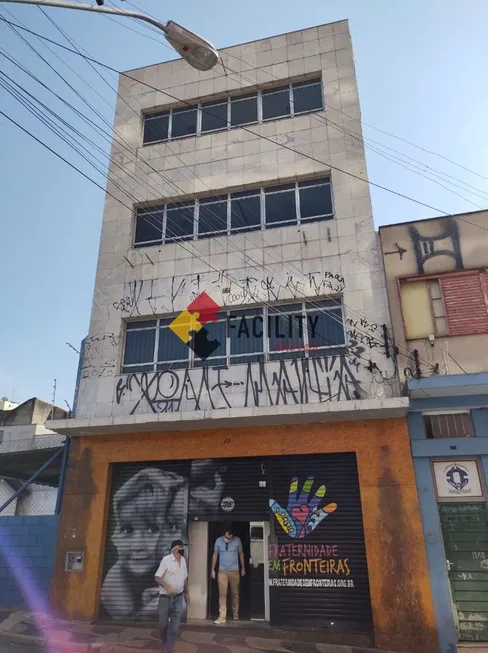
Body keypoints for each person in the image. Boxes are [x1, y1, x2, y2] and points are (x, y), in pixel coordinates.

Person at [101, 468, 187, 620]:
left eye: (152, 529)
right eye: (127, 529)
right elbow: (126, 617)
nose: (137, 545)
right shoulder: (117, 582)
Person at [155, 539, 189, 653]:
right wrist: (166, 586)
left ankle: (167, 650)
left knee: (174, 628)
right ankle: (166, 643)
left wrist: (187, 593)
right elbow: (157, 577)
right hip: (165, 598)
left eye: (183, 547)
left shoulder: (183, 561)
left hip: (178, 598)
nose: (182, 550)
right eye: (180, 548)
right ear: (174, 549)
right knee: (162, 625)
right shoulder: (166, 560)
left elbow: (184, 578)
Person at [211, 525, 245, 624]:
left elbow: (241, 554)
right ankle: (222, 616)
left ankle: (235, 613)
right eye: (226, 538)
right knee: (222, 593)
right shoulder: (218, 541)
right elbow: (215, 554)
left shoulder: (237, 540)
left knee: (235, 593)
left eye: (230, 538)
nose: (228, 539)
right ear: (223, 535)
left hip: (234, 570)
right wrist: (212, 569)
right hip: (222, 571)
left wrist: (243, 568)